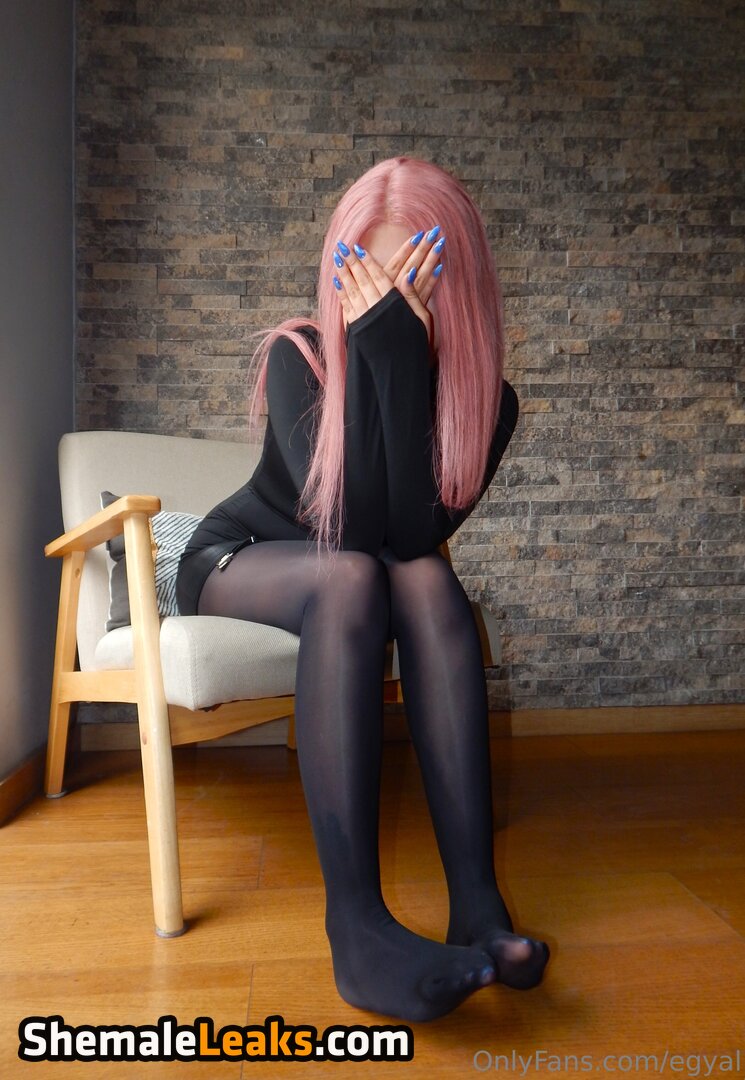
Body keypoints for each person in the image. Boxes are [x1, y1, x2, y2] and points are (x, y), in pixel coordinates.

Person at [175, 156, 550, 1023]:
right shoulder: (299, 355)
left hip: (356, 565)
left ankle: (478, 907)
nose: (383, 301)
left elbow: (410, 536)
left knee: (424, 578)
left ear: (454, 284)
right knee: (350, 575)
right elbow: (344, 528)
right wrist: (385, 345)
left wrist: (399, 358)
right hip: (240, 558)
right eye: (367, 278)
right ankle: (356, 930)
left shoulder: (485, 402)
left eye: (410, 277)